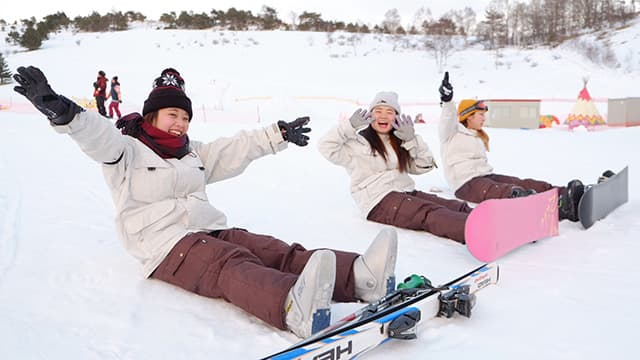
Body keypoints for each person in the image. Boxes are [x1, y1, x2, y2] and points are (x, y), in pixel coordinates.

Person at [13, 65, 398, 339]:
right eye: (171, 114)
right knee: (228, 263)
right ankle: (290, 304)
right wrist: (63, 110)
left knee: (272, 249)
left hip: (205, 228)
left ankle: (359, 276)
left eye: (184, 116)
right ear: (151, 115)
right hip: (163, 244)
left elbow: (233, 148)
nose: (179, 122)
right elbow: (95, 134)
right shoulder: (125, 149)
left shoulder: (191, 152)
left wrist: (276, 133)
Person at [319, 91, 473, 244]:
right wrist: (349, 126)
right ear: (369, 116)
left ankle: (486, 219)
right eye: (378, 111)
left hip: (404, 191)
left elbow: (424, 165)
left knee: (450, 206)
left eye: (389, 112)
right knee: (430, 212)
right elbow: (325, 146)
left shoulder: (400, 141)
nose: (383, 116)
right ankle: (475, 231)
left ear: (396, 117)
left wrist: (412, 140)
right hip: (377, 200)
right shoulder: (356, 143)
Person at [437, 71, 587, 222]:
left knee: (522, 183)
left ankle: (565, 195)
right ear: (468, 116)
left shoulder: (477, 135)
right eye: (480, 115)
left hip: (486, 176)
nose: (484, 118)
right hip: (465, 184)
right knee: (507, 191)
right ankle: (541, 207)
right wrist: (447, 100)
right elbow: (447, 118)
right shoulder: (451, 133)